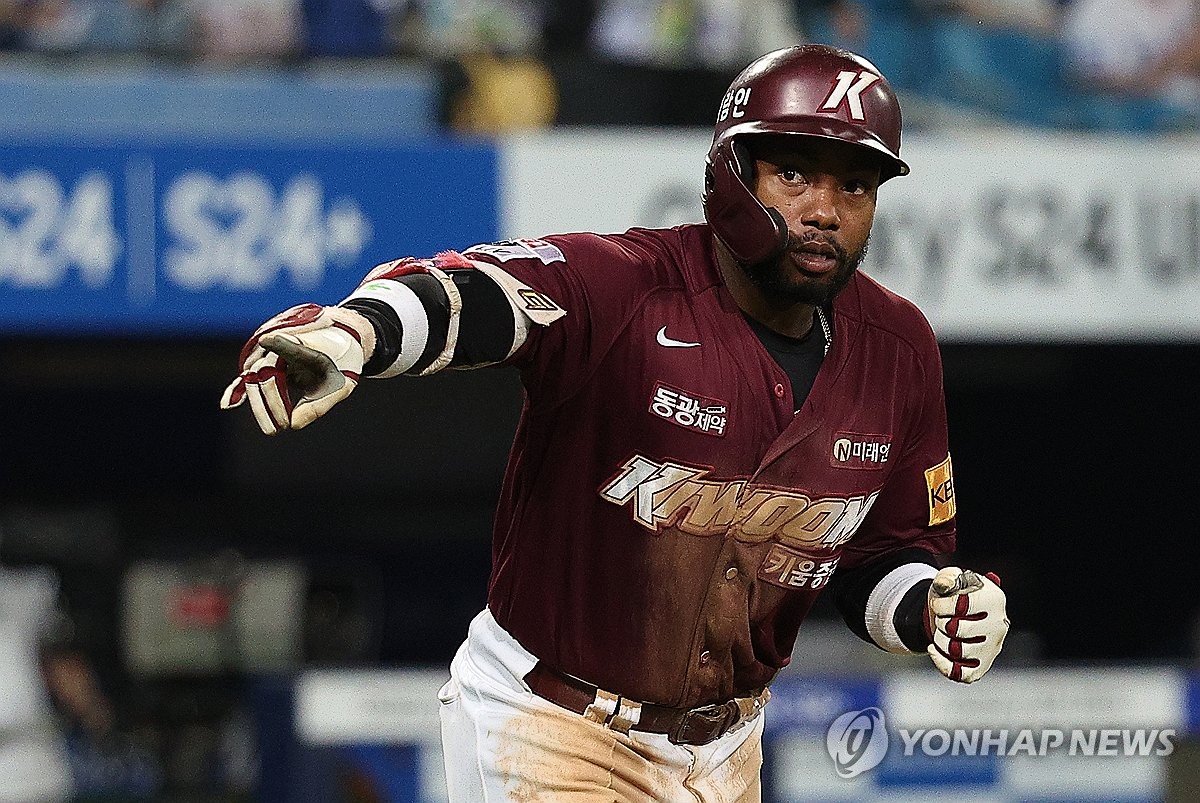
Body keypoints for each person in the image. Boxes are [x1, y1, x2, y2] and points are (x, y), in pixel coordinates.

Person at [221, 44, 1010, 801]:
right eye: (794, 172)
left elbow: (886, 559)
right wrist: (355, 332)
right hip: (556, 723)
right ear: (730, 175)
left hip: (728, 746)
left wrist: (934, 607)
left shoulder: (899, 349)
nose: (825, 210)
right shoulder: (631, 285)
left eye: (855, 186)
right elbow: (480, 293)